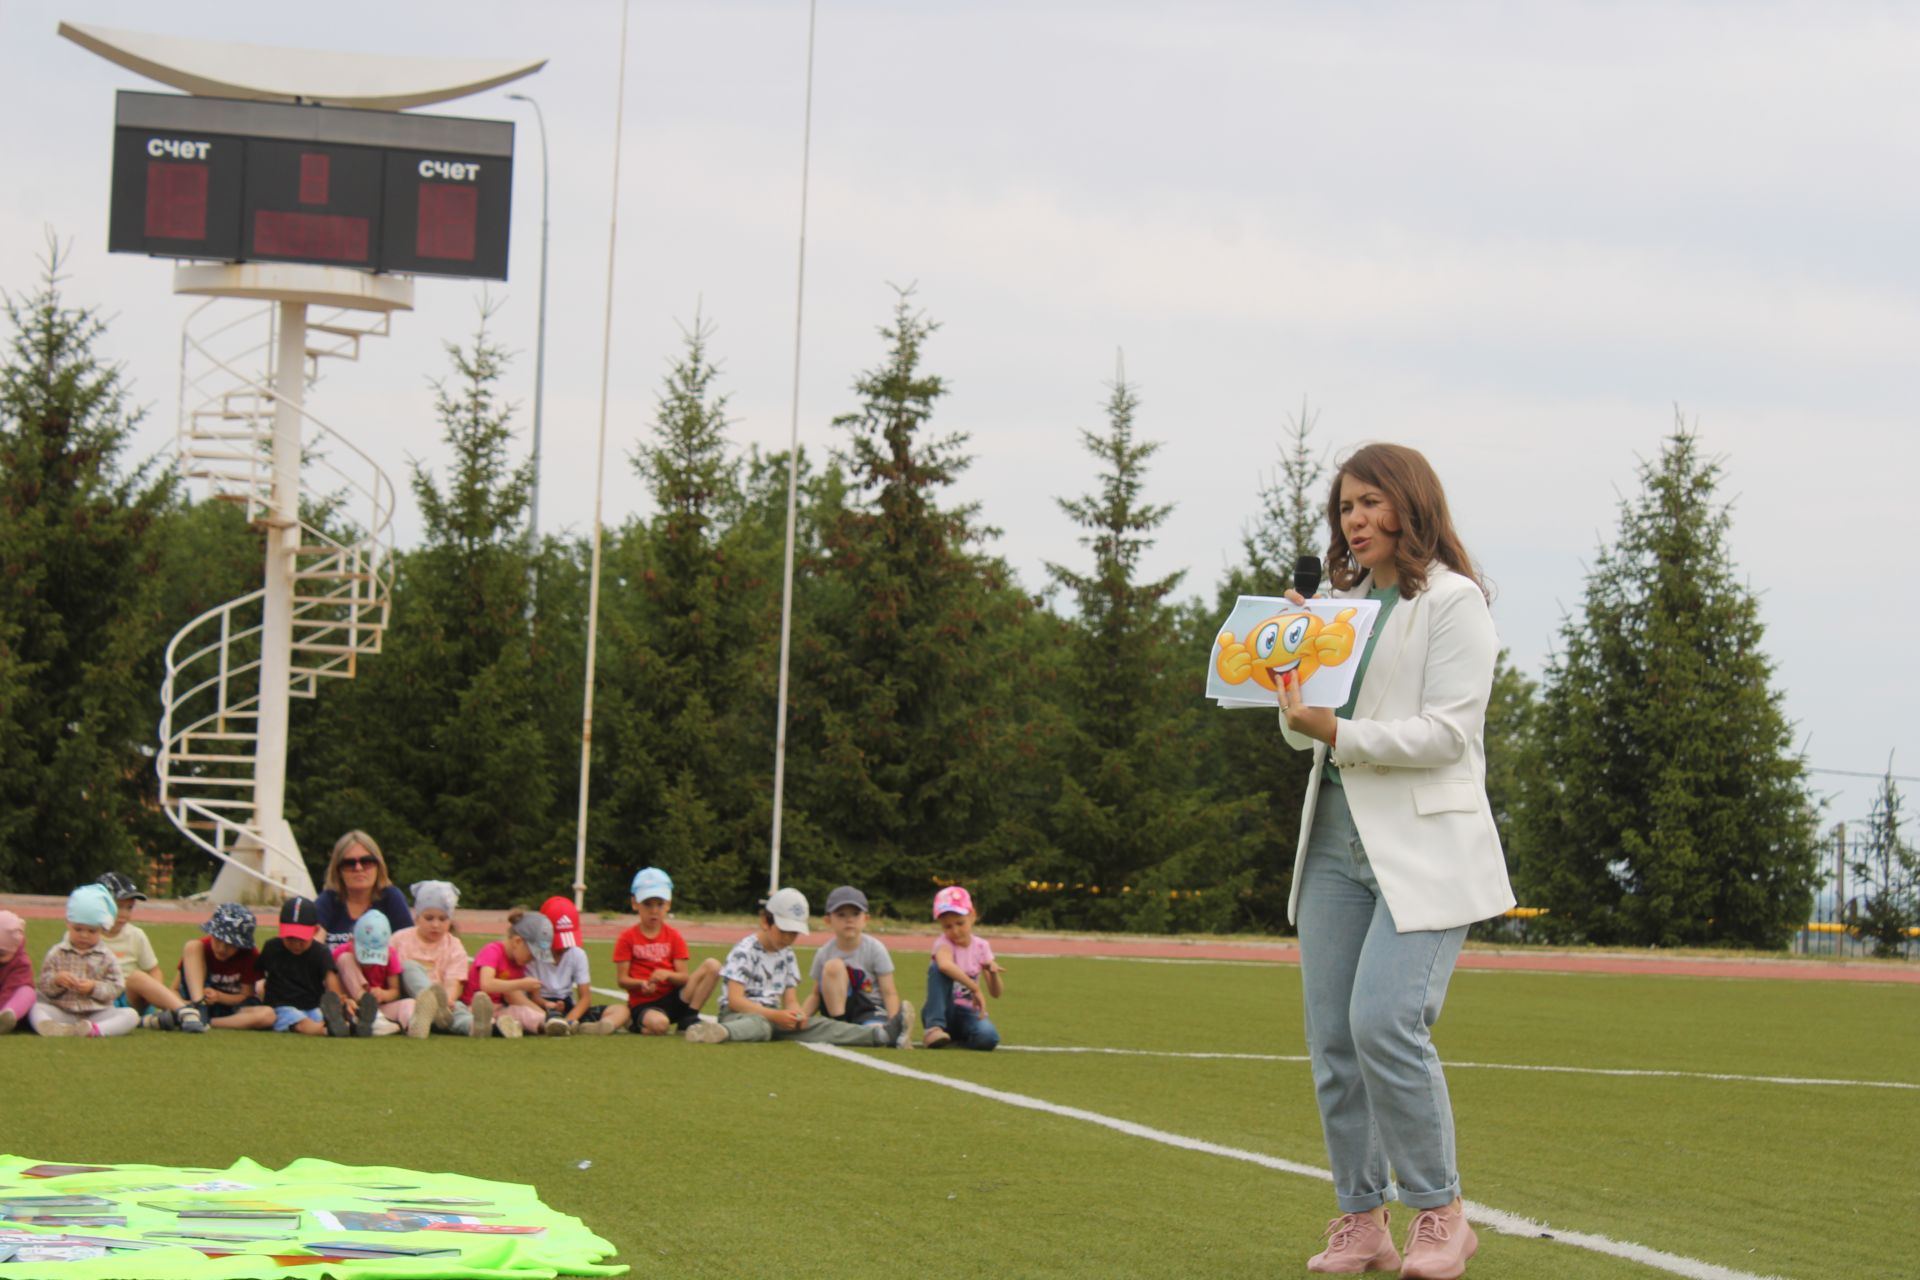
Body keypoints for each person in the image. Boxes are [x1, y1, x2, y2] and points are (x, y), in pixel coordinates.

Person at [1272, 443, 1514, 1279]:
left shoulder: (1455, 603)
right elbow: (1300, 725)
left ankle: (1441, 1213)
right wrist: (1293, 676)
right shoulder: (1339, 607)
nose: (1357, 520)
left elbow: (1450, 733)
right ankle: (1359, 1220)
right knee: (1334, 1039)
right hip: (1335, 842)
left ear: (1411, 504)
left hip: (1427, 846)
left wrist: (1338, 733)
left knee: (1385, 1025)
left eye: (1372, 502)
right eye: (1345, 508)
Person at [687, 888, 911, 1048]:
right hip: (739, 1016)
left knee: (821, 1025)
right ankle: (720, 1032)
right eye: (783, 930)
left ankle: (881, 1035)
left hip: (773, 1017)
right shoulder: (744, 950)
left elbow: (791, 999)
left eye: (793, 933)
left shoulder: (787, 954)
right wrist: (775, 1015)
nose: (788, 938)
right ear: (766, 922)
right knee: (762, 1026)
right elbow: (735, 1000)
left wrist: (796, 1015)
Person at [612, 868, 720, 1036]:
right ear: (635, 903)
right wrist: (641, 984)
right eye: (647, 904)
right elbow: (622, 980)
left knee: (713, 965)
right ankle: (634, 1022)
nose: (654, 910)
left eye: (660, 904)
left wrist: (668, 975)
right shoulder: (627, 938)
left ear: (668, 904)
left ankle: (689, 1016)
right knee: (660, 1025)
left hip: (675, 997)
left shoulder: (674, 936)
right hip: (644, 1003)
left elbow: (683, 977)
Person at [387, 880, 491, 1039]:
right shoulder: (400, 939)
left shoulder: (454, 945)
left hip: (446, 1004)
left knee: (459, 1010)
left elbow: (454, 981)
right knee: (408, 967)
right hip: (410, 999)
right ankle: (432, 1006)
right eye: (429, 918)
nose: (436, 925)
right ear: (417, 917)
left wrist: (448, 1000)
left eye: (443, 919)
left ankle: (473, 1026)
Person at [29, 885, 137, 1037]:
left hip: (97, 1013)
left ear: (102, 929)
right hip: (63, 1011)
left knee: (130, 1015)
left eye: (92, 931)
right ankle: (54, 1029)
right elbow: (44, 987)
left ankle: (94, 1030)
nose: (84, 936)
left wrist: (94, 987)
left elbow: (116, 987)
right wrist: (57, 981)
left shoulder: (106, 956)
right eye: (78, 929)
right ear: (68, 922)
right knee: (36, 1008)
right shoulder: (57, 953)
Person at [801, 885, 906, 1031]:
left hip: (869, 1008)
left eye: (855, 914)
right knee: (833, 967)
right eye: (841, 914)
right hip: (836, 1010)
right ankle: (840, 1024)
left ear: (866, 919)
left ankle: (870, 1029)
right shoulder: (824, 953)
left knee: (876, 1030)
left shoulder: (875, 949)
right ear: (827, 920)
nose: (849, 920)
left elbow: (889, 992)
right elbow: (816, 995)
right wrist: (800, 1017)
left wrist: (894, 1022)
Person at [529, 896, 628, 1036]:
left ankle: (596, 1027)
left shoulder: (577, 954)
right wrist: (550, 1007)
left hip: (569, 1008)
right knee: (525, 1013)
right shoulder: (533, 955)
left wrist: (569, 1020)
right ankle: (547, 1025)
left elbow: (585, 998)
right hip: (540, 1006)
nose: (563, 948)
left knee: (622, 1010)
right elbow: (533, 996)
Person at [921, 886, 1003, 1050]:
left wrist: (993, 973)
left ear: (972, 916)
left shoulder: (981, 946)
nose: (955, 931)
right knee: (937, 967)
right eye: (948, 926)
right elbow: (944, 965)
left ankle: (956, 1038)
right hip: (945, 1008)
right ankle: (934, 1028)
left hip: (968, 1011)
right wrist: (974, 987)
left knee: (989, 1037)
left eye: (960, 923)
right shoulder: (943, 944)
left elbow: (996, 993)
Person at [254, 897, 346, 1036]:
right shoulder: (272, 947)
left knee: (318, 1016)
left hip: (312, 1006)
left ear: (315, 930)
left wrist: (338, 1001)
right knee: (302, 1024)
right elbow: (256, 975)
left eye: (302, 939)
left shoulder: (320, 952)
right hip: (281, 1007)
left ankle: (343, 1024)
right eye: (290, 938)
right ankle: (329, 1030)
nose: (296, 944)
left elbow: (331, 981)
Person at [176, 903, 274, 1031]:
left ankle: (207, 1021)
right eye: (217, 940)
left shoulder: (249, 955)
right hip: (195, 1003)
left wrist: (218, 996)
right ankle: (198, 1007)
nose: (222, 948)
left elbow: (246, 995)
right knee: (192, 946)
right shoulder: (202, 948)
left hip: (231, 1009)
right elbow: (174, 989)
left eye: (230, 944)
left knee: (268, 1015)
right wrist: (185, 1003)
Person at [313, 830, 414, 950]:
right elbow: (314, 945)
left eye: (367, 861)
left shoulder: (392, 898)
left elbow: (408, 948)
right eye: (349, 863)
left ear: (378, 865)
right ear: (338, 870)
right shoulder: (328, 900)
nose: (358, 868)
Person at [463, 911, 548, 1038]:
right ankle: (498, 1027)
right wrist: (521, 984)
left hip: (500, 1009)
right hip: (474, 1007)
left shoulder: (519, 963)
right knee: (481, 1019)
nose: (533, 960)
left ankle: (547, 1025)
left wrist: (541, 1014)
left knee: (525, 1013)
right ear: (517, 941)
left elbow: (513, 997)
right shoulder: (492, 951)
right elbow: (486, 984)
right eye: (532, 955)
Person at [327, 909, 398, 1037]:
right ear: (352, 941)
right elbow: (330, 983)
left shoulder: (391, 955)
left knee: (409, 1004)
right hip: (350, 1002)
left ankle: (412, 1023)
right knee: (345, 959)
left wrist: (383, 994)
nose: (369, 963)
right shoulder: (341, 952)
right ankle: (361, 1011)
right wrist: (345, 999)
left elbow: (395, 991)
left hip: (381, 1007)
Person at [0, 910, 34, 1035]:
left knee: (27, 992)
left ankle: (6, 1018)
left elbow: (9, 990)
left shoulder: (21, 963)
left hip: (8, 1000)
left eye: (1, 954)